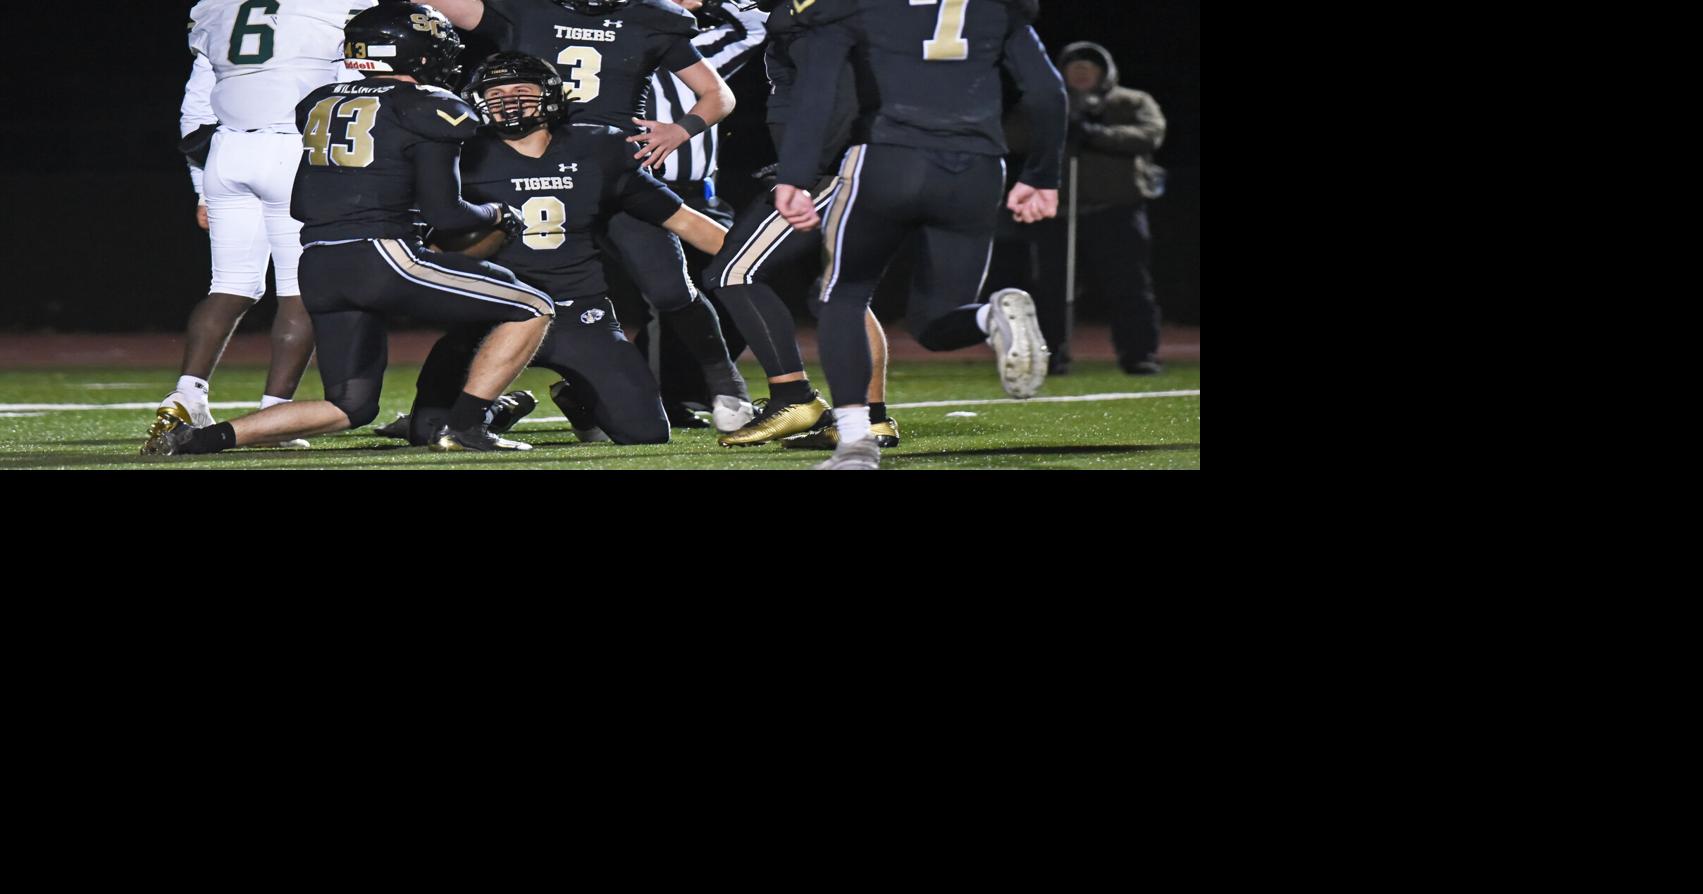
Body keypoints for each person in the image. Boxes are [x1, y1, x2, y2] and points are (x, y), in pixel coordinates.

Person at [143, 3, 555, 456]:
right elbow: (448, 214)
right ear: (416, 53)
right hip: (381, 256)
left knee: (350, 406)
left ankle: (195, 440)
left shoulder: (318, 102)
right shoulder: (431, 107)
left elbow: (306, 197)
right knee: (533, 305)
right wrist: (497, 214)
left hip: (320, 264)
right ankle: (467, 427)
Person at [422, 0, 755, 432]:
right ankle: (448, 404)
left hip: (607, 164)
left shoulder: (653, 17)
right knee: (489, 290)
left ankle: (725, 383)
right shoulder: (526, 10)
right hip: (525, 158)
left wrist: (680, 130)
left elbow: (718, 94)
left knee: (669, 287)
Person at [773, 0, 1066, 470]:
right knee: (936, 323)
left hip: (889, 158)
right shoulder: (995, 8)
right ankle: (990, 317)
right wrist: (1043, 176)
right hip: (977, 169)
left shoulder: (851, 7)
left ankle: (856, 442)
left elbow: (817, 94)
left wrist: (795, 175)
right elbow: (1048, 92)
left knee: (841, 296)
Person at [160, 0, 378, 448]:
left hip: (227, 150)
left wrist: (201, 187)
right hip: (294, 148)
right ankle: (274, 413)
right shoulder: (338, 6)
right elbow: (356, 85)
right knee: (301, 290)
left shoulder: (216, 8)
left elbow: (195, 106)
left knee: (230, 285)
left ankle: (187, 392)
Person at [702, 0, 901, 451]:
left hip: (833, 169)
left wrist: (801, 173)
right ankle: (871, 422)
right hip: (863, 160)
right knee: (840, 291)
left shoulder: (812, 16)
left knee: (733, 273)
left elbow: (836, 95)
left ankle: (794, 398)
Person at [1037, 41, 1168, 375]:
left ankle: (1139, 354)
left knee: (1129, 286)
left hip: (1117, 210)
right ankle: (1051, 354)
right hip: (1061, 213)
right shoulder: (1051, 102)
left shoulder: (1132, 101)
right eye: (1074, 67)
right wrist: (1057, 127)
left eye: (1090, 67)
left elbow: (1150, 134)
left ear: (1104, 72)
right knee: (1053, 288)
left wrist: (1096, 134)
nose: (1081, 72)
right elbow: (1016, 136)